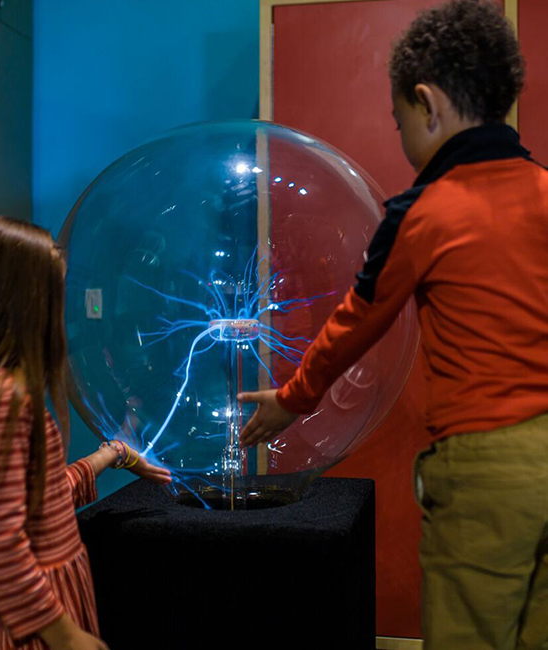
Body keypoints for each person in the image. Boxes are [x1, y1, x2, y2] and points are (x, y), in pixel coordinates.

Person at [239, 1, 548, 648]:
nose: (404, 139)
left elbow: (357, 321)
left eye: (400, 120)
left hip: (486, 467)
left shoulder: (423, 213)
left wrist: (291, 401)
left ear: (427, 104)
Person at [0, 217, 171, 650]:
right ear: (22, 302)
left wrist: (116, 453)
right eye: (57, 294)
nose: (64, 310)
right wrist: (66, 636)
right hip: (22, 626)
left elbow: (39, 499)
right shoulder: (2, 403)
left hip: (24, 615)